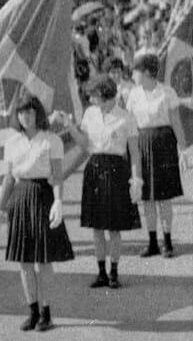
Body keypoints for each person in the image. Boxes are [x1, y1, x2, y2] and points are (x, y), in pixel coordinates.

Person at [0, 95, 74, 332]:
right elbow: (9, 177)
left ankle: (46, 312)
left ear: (38, 114)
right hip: (20, 198)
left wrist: (58, 201)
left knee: (43, 260)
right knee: (24, 260)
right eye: (21, 113)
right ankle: (32, 311)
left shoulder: (51, 140)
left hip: (43, 196)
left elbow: (57, 174)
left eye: (30, 112)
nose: (26, 117)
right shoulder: (12, 142)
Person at [60, 75, 142, 288]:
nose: (91, 100)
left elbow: (134, 151)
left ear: (105, 96)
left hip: (117, 170)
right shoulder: (90, 114)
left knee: (114, 227)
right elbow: (85, 145)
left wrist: (136, 179)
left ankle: (114, 271)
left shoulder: (126, 118)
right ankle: (101, 272)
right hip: (95, 169)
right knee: (97, 227)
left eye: (94, 96)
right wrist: (70, 126)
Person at [126, 54, 184, 258]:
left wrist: (183, 149)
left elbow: (176, 122)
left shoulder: (167, 92)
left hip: (164, 143)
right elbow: (130, 123)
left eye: (136, 71)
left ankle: (167, 241)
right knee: (147, 197)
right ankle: (151, 241)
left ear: (148, 73)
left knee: (164, 197)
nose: (132, 74)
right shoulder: (133, 94)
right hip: (142, 143)